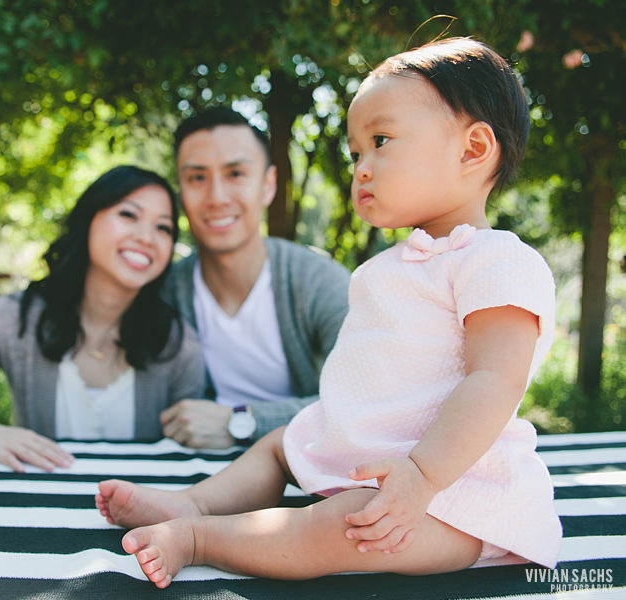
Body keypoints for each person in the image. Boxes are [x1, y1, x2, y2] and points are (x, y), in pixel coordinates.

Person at [95, 38, 562, 588]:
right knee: (280, 444)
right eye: (355, 153)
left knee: (348, 527)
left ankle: (201, 539)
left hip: (453, 494)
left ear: (472, 149)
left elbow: (494, 380)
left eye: (380, 141)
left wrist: (420, 476)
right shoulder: (388, 267)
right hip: (375, 460)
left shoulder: (496, 259)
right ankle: (194, 504)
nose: (361, 168)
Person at [0, 166, 205, 472]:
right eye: (129, 214)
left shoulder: (178, 343)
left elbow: (190, 453)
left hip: (135, 529)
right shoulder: (13, 318)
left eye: (163, 228)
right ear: (88, 220)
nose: (147, 237)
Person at [159, 107, 351, 449]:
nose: (216, 197)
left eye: (235, 174)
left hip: (303, 477)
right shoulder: (167, 292)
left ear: (268, 185)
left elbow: (366, 399)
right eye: (197, 178)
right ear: (181, 193)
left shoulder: (320, 284)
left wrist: (243, 422)